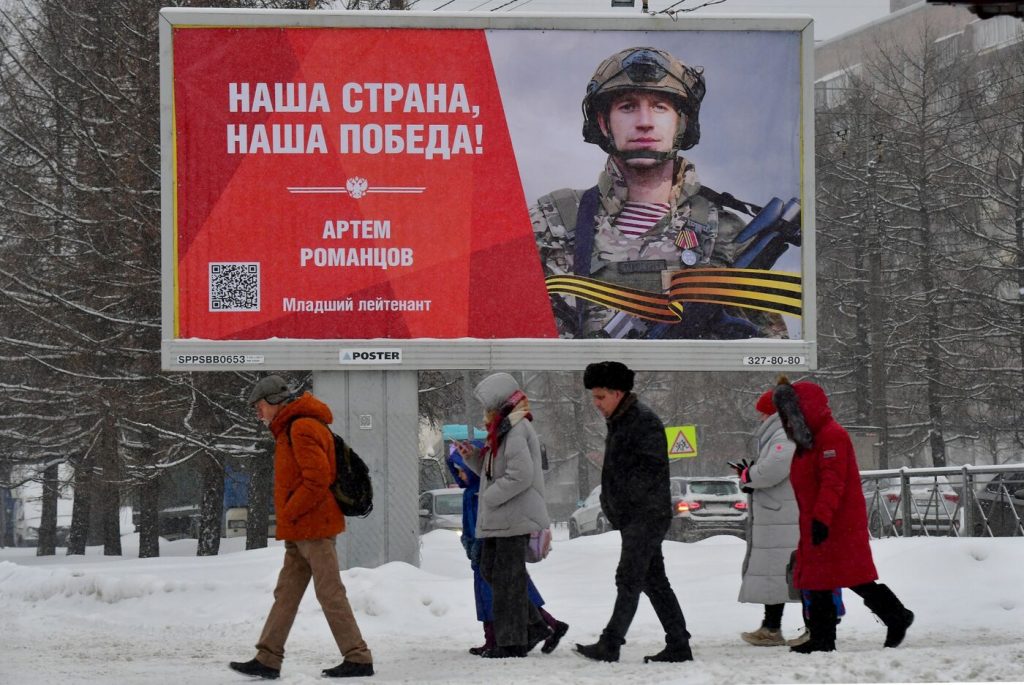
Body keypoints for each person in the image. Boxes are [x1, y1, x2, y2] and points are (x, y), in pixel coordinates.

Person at [531, 46, 801, 340]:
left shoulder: (726, 233)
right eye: (627, 106)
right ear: (602, 122)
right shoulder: (551, 222)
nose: (644, 121)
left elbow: (772, 353)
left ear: (681, 123)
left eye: (660, 106)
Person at [229, 375, 374, 680]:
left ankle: (358, 657)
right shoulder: (289, 429)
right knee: (287, 594)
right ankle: (267, 658)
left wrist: (291, 512)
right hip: (301, 530)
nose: (258, 413)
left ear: (273, 402)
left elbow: (317, 479)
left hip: (314, 528)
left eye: (259, 407)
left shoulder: (301, 427)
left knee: (329, 593)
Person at [773, 377, 915, 654]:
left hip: (837, 522)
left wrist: (822, 519)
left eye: (790, 415)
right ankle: (823, 638)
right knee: (818, 580)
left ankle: (896, 615)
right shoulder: (810, 440)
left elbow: (833, 481)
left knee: (851, 576)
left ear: (804, 411)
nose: (787, 422)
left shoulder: (830, 436)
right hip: (819, 519)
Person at [575, 361, 692, 663]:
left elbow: (650, 470)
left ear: (617, 393)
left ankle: (610, 643)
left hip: (645, 515)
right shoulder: (624, 420)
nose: (596, 404)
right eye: (594, 397)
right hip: (637, 515)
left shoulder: (642, 421)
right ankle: (679, 643)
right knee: (654, 581)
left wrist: (624, 499)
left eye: (600, 397)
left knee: (628, 578)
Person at [453, 373, 554, 658]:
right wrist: (472, 456)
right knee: (491, 570)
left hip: (514, 516)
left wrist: (489, 497)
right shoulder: (504, 430)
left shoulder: (517, 429)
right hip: (503, 518)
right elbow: (492, 469)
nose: (485, 412)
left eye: (487, 406)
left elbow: (521, 475)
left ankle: (511, 643)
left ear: (499, 403)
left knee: (506, 578)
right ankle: (534, 626)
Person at [446, 445, 569, 656]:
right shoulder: (471, 493)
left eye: (463, 468)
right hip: (481, 548)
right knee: (505, 593)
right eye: (457, 469)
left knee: (500, 594)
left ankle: (536, 628)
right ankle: (547, 626)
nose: (460, 473)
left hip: (487, 547)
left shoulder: (479, 494)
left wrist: (477, 545)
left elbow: (481, 523)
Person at [732, 389, 801, 647]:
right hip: (776, 517)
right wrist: (750, 475)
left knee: (787, 573)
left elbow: (775, 468)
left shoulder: (783, 434)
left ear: (771, 413)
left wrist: (750, 475)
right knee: (777, 575)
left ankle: (806, 627)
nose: (759, 417)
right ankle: (771, 627)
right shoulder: (780, 432)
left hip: (780, 517)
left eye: (762, 412)